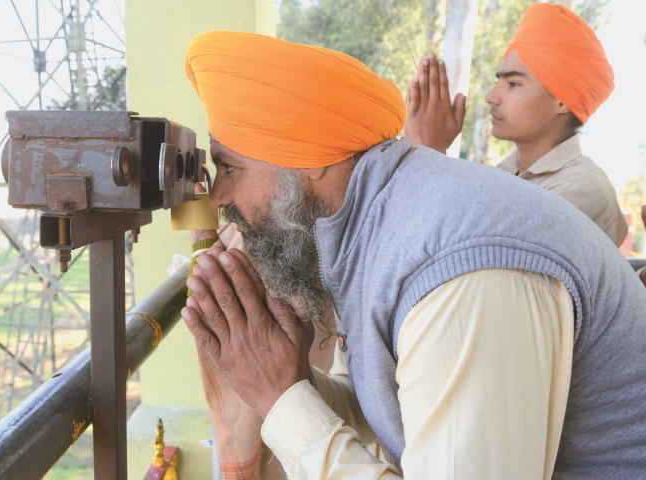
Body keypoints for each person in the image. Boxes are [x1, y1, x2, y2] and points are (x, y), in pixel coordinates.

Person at [180, 28, 646, 479]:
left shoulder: (454, 268)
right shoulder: (370, 227)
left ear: (310, 159)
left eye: (229, 167)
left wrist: (279, 397)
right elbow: (395, 407)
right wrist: (283, 374)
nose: (217, 196)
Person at [405, 3, 628, 247]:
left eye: (513, 84)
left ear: (562, 102)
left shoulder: (584, 189)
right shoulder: (503, 174)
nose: (491, 96)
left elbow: (479, 254)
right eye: (498, 82)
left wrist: (430, 154)